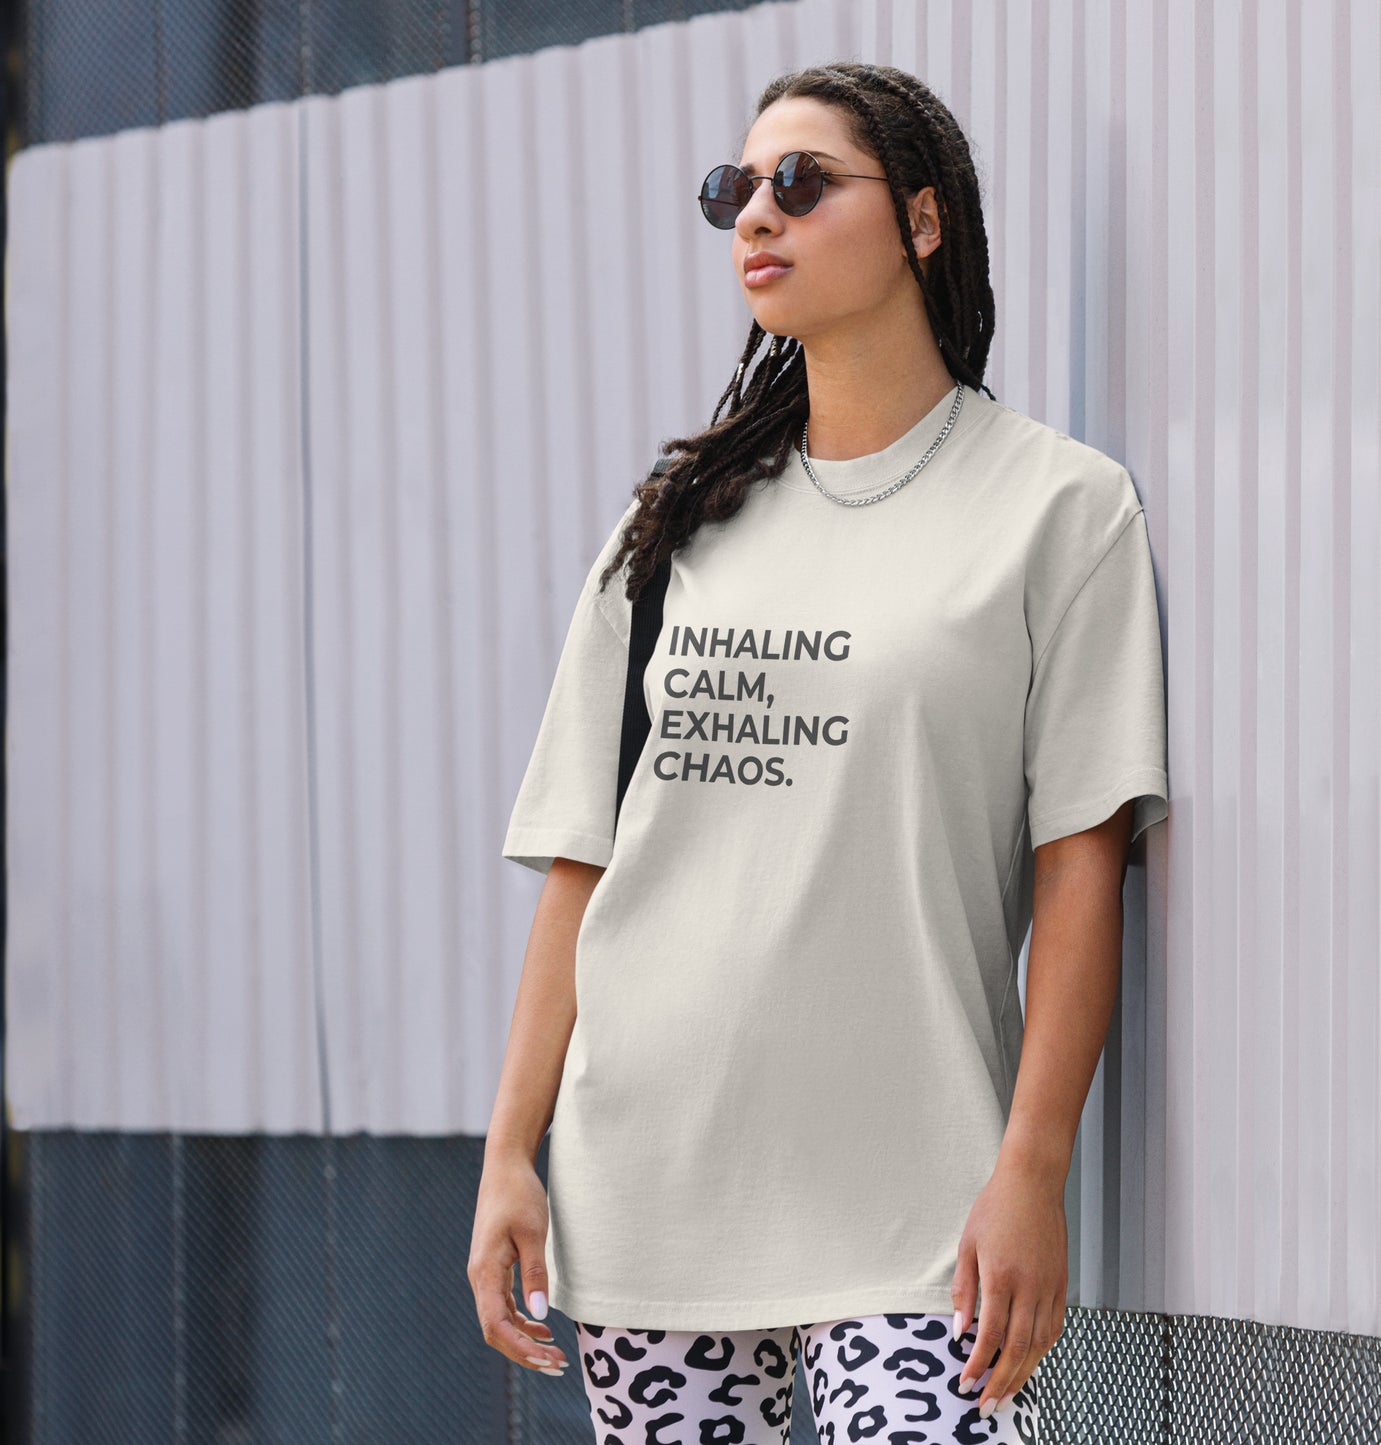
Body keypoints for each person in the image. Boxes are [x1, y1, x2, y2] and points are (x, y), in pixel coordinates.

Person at [470, 60, 1168, 1444]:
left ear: (921, 220)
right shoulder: (669, 531)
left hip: (918, 1209)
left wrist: (1032, 1167)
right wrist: (507, 1152)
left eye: (799, 183)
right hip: (653, 1199)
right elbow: (581, 866)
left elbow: (1082, 871)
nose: (755, 217)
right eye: (734, 190)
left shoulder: (1055, 509)